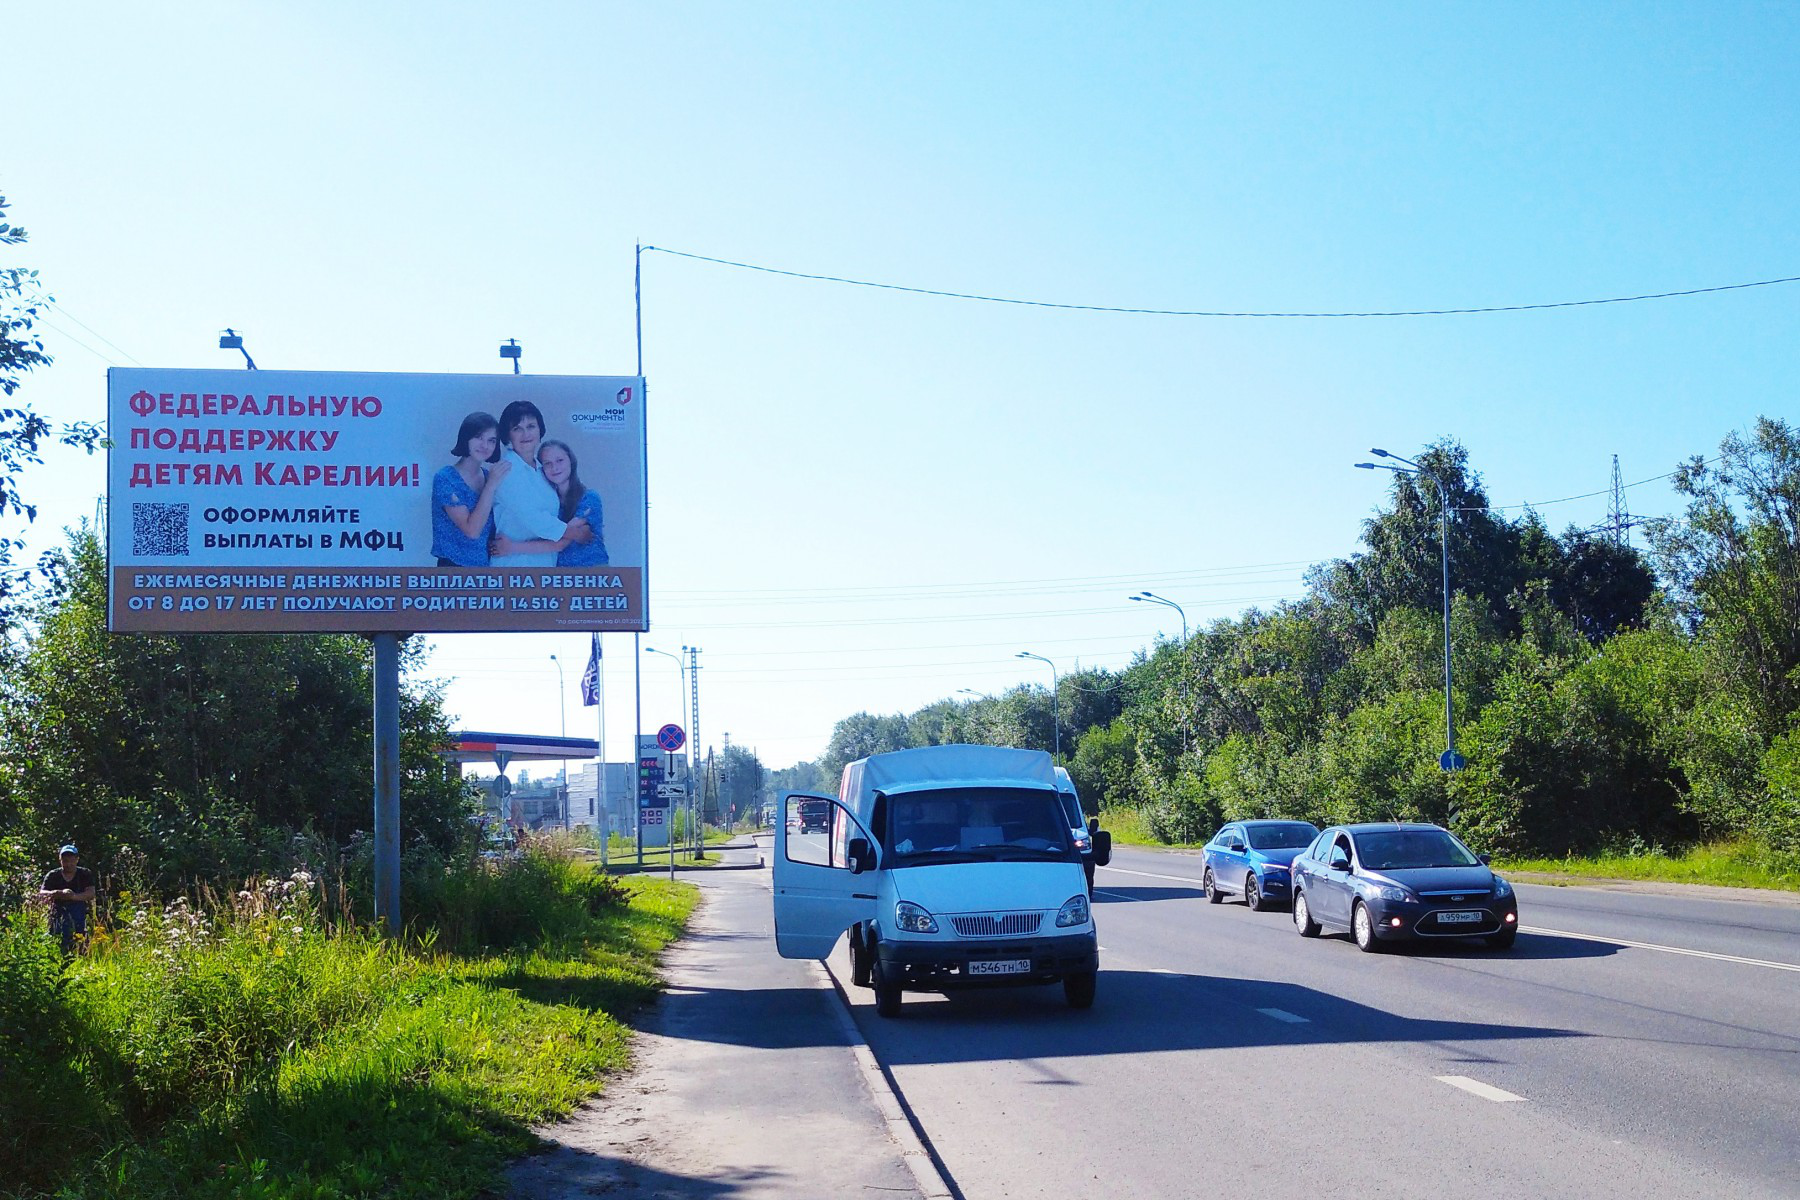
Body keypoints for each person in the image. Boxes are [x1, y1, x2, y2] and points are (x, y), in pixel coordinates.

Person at [489, 400, 593, 568]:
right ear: (508, 435)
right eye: (517, 429)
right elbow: (533, 518)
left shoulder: (543, 470)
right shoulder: (506, 470)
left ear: (540, 430)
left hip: (544, 566)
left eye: (531, 426)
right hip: (513, 567)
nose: (525, 434)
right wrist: (574, 533)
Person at [430, 412, 510, 566]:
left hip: (485, 570)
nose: (485, 446)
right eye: (479, 437)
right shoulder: (446, 477)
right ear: (466, 437)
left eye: (491, 441)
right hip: (453, 571)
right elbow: (472, 531)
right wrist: (491, 485)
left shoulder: (489, 476)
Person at [539, 439, 609, 566]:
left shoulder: (589, 498)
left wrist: (511, 548)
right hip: (561, 578)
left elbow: (560, 542)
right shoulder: (547, 504)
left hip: (594, 575)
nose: (554, 468)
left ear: (570, 460)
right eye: (547, 463)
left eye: (559, 460)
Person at [39, 844, 95, 955]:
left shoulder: (84, 874)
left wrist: (73, 896)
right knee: (56, 937)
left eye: (71, 861)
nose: (68, 864)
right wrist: (55, 893)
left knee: (79, 939)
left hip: (79, 911)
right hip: (57, 911)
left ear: (77, 859)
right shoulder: (53, 875)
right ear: (60, 860)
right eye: (65, 861)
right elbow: (42, 893)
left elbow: (91, 893)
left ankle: (80, 957)